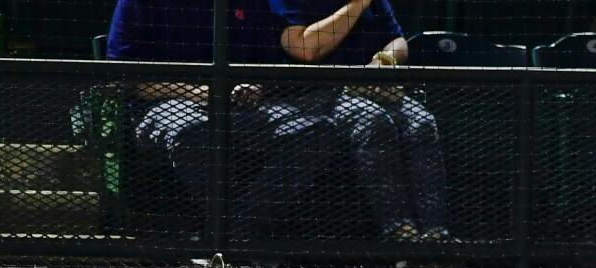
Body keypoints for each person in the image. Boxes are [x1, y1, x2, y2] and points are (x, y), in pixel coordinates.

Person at [105, 0, 341, 238]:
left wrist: (254, 86)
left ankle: (235, 234)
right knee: (192, 132)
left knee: (316, 130)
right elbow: (126, 78)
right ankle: (241, 239)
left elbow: (264, 64)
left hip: (239, 110)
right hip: (163, 106)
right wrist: (197, 92)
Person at [272, 0, 451, 242]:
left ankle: (435, 234)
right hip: (318, 94)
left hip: (374, 88)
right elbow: (306, 48)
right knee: (374, 120)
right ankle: (400, 233)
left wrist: (383, 62)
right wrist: (358, 4)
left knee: (422, 121)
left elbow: (398, 40)